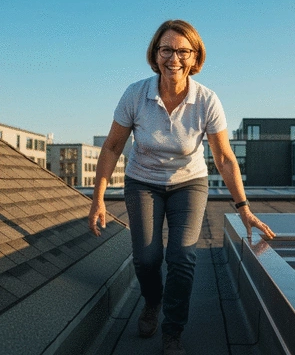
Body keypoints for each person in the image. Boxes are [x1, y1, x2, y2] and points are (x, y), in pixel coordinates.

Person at [88, 19, 275, 355]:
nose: (174, 57)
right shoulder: (136, 94)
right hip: (142, 181)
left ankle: (172, 330)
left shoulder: (207, 100)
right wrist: (98, 198)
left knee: (182, 257)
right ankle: (152, 303)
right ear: (155, 54)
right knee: (146, 258)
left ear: (194, 56)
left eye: (183, 51)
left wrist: (244, 208)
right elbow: (113, 147)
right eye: (166, 50)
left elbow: (225, 159)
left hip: (189, 183)